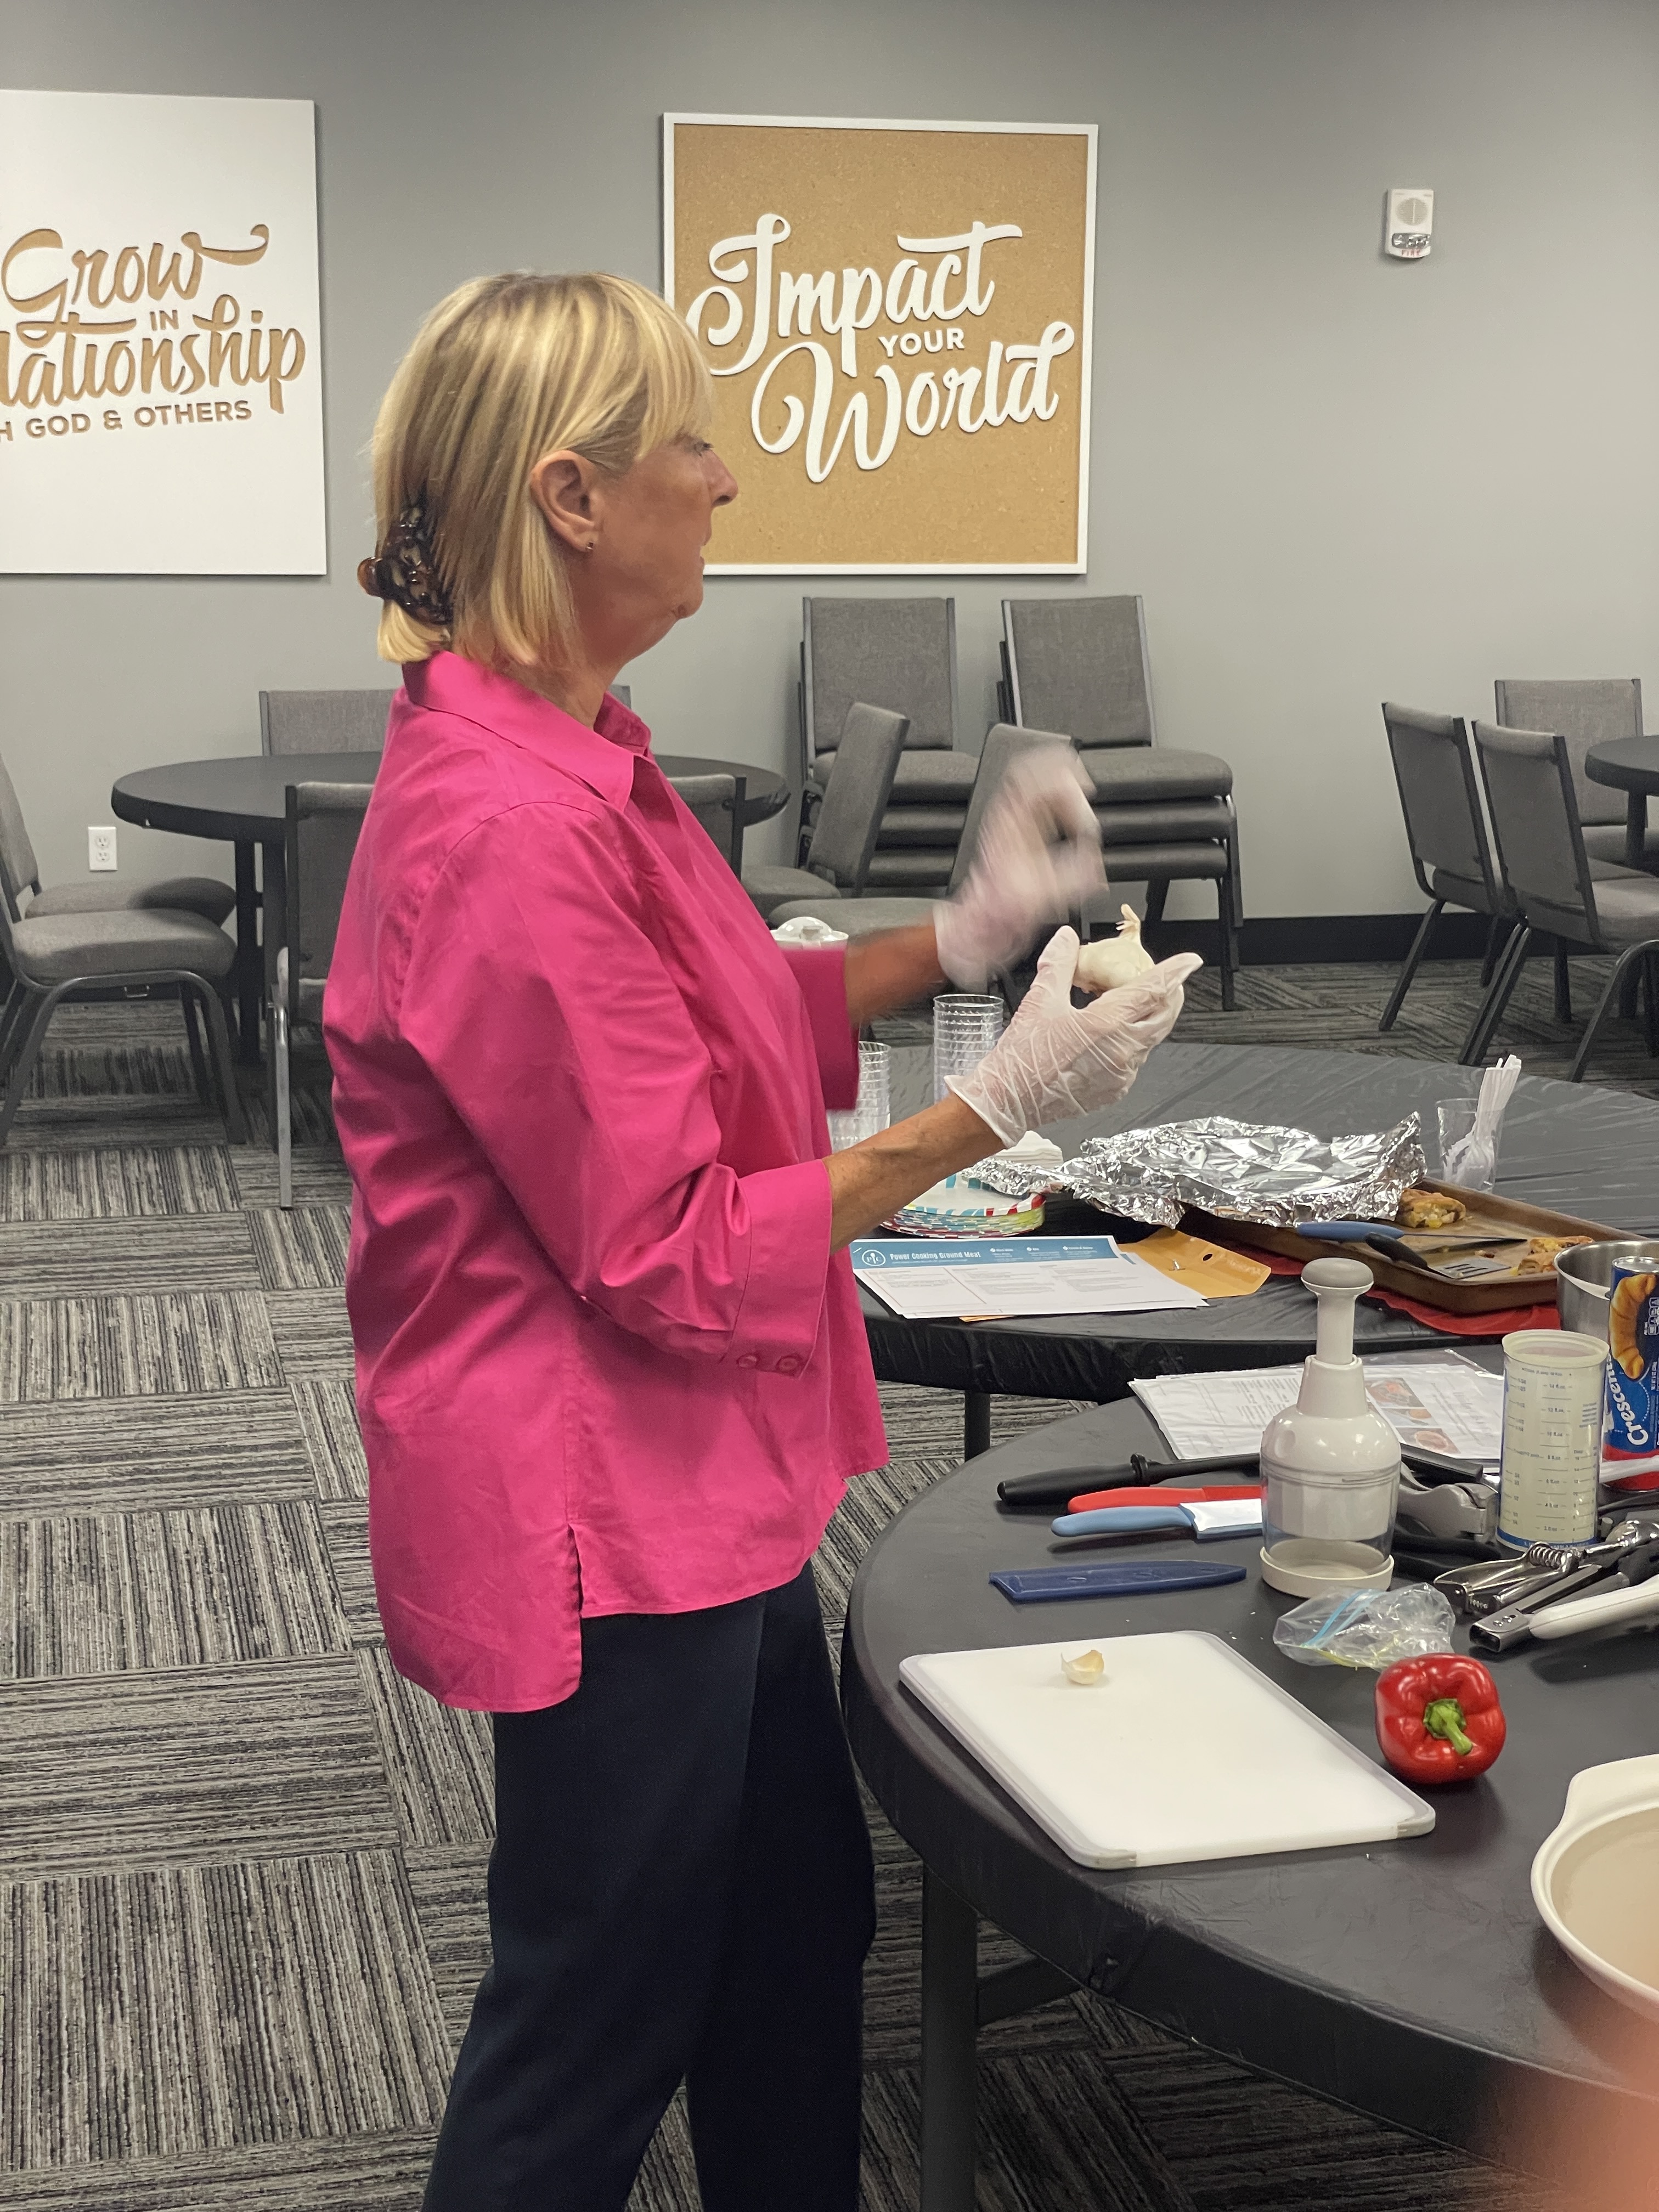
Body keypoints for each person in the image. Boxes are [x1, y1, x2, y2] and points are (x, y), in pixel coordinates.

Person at [328, 269, 1200, 2212]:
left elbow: (731, 1021)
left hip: (698, 1489)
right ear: (572, 496)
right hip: (605, 1508)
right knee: (595, 2017)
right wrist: (999, 1105)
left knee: (793, 1946)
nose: (725, 480)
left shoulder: (592, 757)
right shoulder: (502, 827)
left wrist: (967, 939)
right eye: (690, 445)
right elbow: (675, 1247)